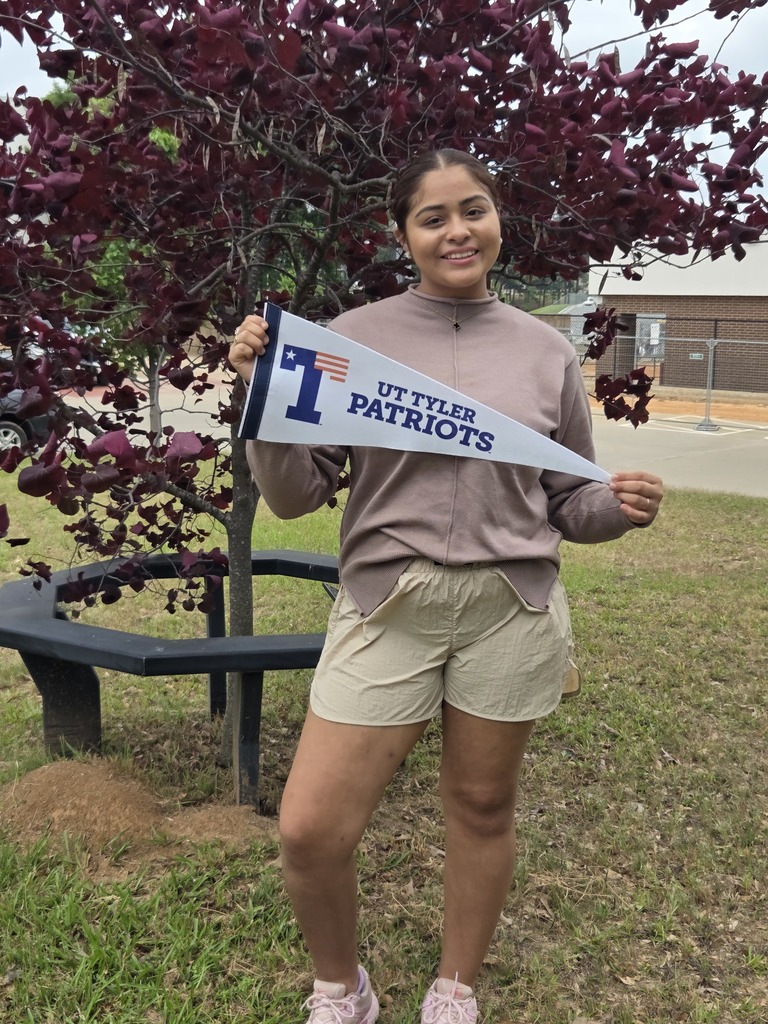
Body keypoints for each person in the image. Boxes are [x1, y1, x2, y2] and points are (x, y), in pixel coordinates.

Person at [229, 149, 663, 1024]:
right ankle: (342, 988)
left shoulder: (546, 351)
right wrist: (263, 401)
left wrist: (617, 508)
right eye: (433, 218)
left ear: (499, 220)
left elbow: (567, 499)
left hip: (512, 610)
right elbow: (295, 496)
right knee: (310, 828)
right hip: (388, 605)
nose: (457, 231)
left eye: (474, 210)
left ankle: (454, 987)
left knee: (482, 804)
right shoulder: (351, 337)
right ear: (403, 235)